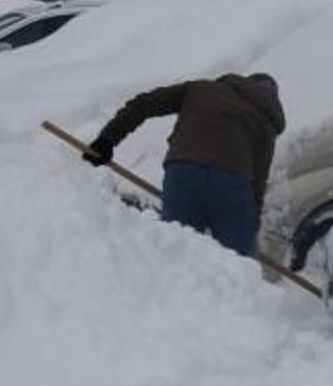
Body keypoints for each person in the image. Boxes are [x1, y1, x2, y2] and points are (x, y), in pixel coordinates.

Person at [85, 72, 285, 258]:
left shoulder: (200, 89)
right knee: (239, 267)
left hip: (183, 172)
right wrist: (250, 227)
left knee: (176, 255)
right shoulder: (265, 122)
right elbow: (259, 181)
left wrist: (107, 140)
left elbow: (144, 104)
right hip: (232, 185)